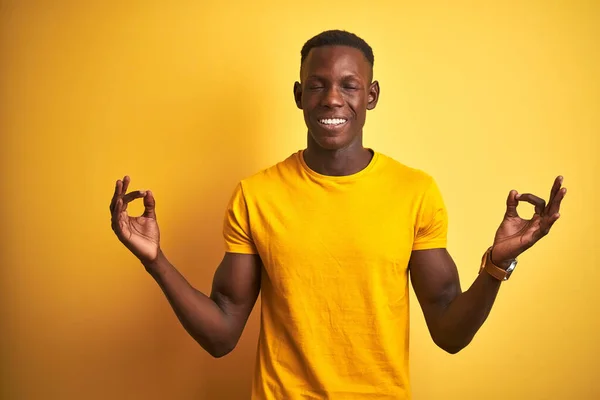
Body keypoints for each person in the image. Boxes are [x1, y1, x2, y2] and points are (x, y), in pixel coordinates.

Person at [109, 30, 566, 399]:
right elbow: (223, 332)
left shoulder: (415, 191)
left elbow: (448, 329)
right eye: (317, 85)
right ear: (298, 94)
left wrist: (497, 264)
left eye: (349, 85)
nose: (332, 98)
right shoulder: (256, 194)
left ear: (371, 95)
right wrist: (155, 261)